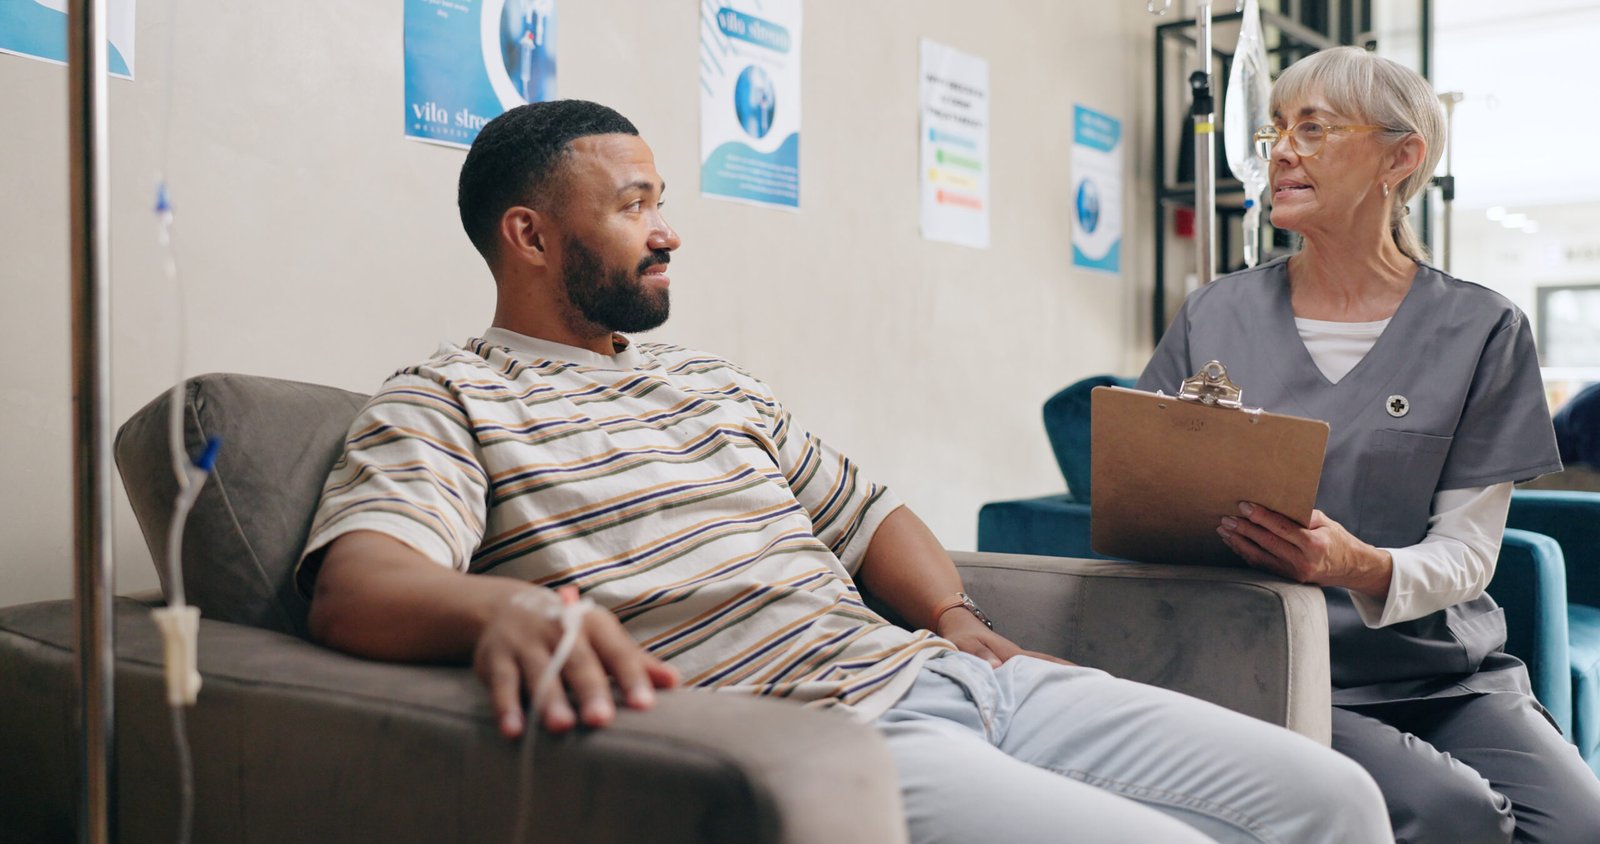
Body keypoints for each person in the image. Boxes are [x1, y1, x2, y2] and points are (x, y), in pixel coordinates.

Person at [297, 98, 1390, 843]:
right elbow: (360, 582)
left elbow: (870, 515)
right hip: (819, 729)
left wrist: (956, 620)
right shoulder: (451, 396)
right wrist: (496, 613)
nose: (666, 231)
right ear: (529, 238)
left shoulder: (711, 382)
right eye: (632, 206)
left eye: (660, 199)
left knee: (1335, 796)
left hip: (959, 675)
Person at [1138, 46, 1600, 843]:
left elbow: (1467, 552)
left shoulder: (1482, 329)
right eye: (1276, 130)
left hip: (1443, 671)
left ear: (1402, 156)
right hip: (1267, 660)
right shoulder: (1213, 316)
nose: (1282, 149)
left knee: (1577, 823)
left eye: (1313, 129)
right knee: (1456, 815)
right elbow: (1142, 490)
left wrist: (1356, 566)